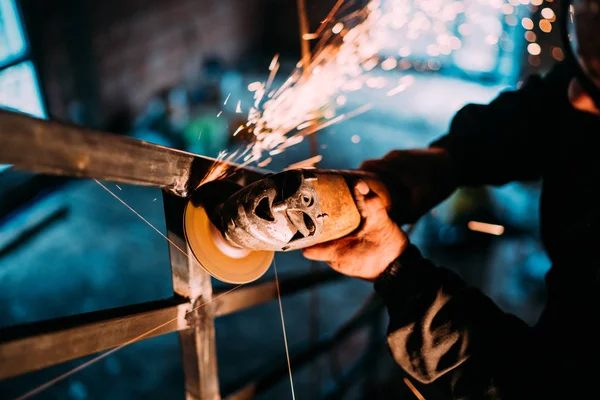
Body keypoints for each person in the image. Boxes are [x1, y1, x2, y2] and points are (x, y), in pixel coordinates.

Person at [303, 0, 600, 398]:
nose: (578, 96)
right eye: (588, 68)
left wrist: (398, 273)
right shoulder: (579, 90)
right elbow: (543, 110)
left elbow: (536, 384)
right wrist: (444, 161)